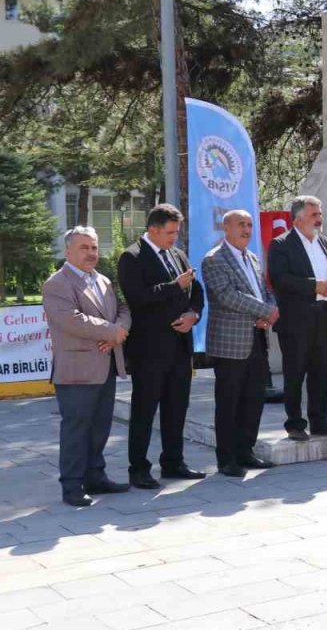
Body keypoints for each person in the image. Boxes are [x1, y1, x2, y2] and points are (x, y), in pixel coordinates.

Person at [116, 203, 205, 489]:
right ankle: (139, 469)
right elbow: (138, 298)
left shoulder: (177, 254)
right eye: (170, 232)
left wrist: (194, 314)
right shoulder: (132, 257)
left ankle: (173, 462)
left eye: (177, 232)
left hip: (180, 347)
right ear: (153, 230)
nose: (174, 238)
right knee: (144, 410)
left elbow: (196, 291)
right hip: (149, 350)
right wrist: (173, 286)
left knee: (176, 407)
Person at [45, 227, 132, 507]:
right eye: (84, 248)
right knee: (77, 429)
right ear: (68, 251)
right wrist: (111, 332)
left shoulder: (104, 280)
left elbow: (123, 310)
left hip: (105, 365)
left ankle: (95, 476)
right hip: (76, 370)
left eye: (94, 247)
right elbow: (71, 320)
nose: (91, 253)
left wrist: (119, 330)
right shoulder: (57, 283)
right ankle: (71, 486)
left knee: (99, 426)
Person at [203, 210, 279, 477]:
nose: (247, 230)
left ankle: (246, 451)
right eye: (241, 225)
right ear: (226, 227)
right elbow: (226, 295)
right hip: (230, 344)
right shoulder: (214, 259)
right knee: (229, 402)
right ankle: (226, 458)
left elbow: (265, 291)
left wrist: (268, 310)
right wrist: (263, 311)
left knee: (253, 399)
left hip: (257, 338)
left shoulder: (253, 258)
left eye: (249, 225)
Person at [268, 196, 327, 441]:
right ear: (299, 218)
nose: (319, 218)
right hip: (295, 320)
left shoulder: (323, 241)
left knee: (321, 371)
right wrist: (315, 286)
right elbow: (280, 279)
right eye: (314, 214)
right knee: (295, 373)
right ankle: (295, 423)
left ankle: (319, 420)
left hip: (323, 316)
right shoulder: (281, 244)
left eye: (320, 213)